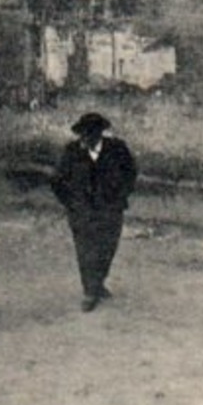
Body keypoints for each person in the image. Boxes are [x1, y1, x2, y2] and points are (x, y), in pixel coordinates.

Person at [50, 112, 138, 312]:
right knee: (86, 251)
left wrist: (121, 196)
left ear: (99, 134)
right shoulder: (72, 151)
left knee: (107, 248)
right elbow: (57, 181)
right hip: (82, 213)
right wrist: (71, 204)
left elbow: (131, 173)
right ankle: (90, 291)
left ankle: (98, 282)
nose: (84, 139)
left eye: (89, 134)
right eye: (82, 134)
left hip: (111, 211)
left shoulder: (117, 149)